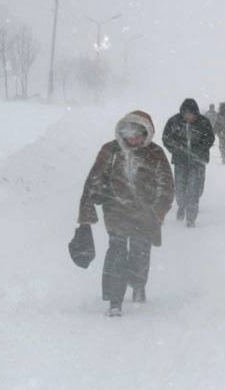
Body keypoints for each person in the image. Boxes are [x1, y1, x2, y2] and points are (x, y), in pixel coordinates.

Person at [78, 111, 174, 317]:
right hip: (116, 213)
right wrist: (86, 213)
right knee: (116, 254)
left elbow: (166, 186)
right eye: (127, 131)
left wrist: (157, 212)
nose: (132, 137)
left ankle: (138, 285)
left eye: (137, 132)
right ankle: (115, 301)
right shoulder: (110, 150)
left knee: (140, 253)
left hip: (145, 215)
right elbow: (93, 180)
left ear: (145, 132)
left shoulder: (155, 153)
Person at [162, 98, 215, 227]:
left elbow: (210, 139)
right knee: (180, 188)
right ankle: (181, 205)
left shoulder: (203, 122)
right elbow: (166, 138)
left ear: (195, 113)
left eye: (191, 114)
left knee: (194, 189)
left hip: (198, 162)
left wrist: (198, 150)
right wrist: (177, 149)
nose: (189, 117)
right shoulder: (174, 121)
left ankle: (191, 218)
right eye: (186, 114)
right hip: (180, 162)